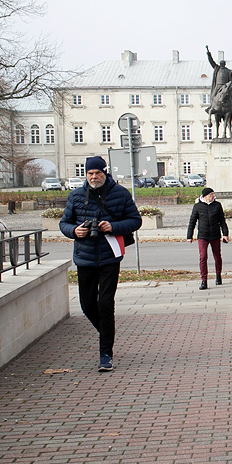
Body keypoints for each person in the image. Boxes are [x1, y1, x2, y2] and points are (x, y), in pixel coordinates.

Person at [59, 156, 142, 372]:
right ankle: (106, 332)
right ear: (85, 175)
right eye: (90, 174)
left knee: (106, 304)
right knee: (87, 305)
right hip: (84, 258)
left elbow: (135, 221)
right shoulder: (76, 196)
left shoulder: (120, 193)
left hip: (109, 257)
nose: (94, 177)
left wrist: (112, 226)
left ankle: (106, 353)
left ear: (105, 173)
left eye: (98, 173)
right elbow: (64, 223)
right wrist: (74, 231)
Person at [187, 187, 229, 290]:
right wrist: (189, 235)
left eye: (213, 194)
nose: (213, 196)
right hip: (203, 235)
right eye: (211, 194)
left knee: (217, 256)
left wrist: (225, 234)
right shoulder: (198, 206)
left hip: (215, 234)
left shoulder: (217, 205)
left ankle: (218, 275)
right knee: (203, 257)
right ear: (205, 196)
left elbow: (222, 221)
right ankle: (204, 280)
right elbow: (192, 221)